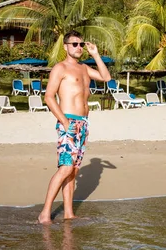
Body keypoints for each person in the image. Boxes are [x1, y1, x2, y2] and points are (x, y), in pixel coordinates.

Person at [37, 30, 111, 224]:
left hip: (83, 124)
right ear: (66, 47)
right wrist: (64, 121)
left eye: (80, 44)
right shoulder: (60, 68)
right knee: (65, 168)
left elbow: (106, 77)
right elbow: (48, 97)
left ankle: (68, 212)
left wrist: (95, 54)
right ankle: (45, 213)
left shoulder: (85, 69)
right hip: (68, 122)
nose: (78, 47)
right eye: (74, 44)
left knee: (74, 171)